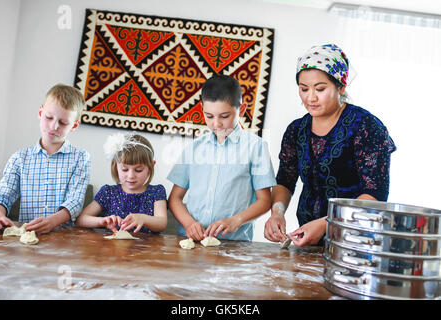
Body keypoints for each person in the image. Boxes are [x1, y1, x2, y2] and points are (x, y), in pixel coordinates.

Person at [264, 44, 396, 246]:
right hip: (309, 241)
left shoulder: (366, 126)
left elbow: (375, 195)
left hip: (357, 243)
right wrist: (277, 213)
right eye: (304, 88)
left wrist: (327, 224)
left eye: (320, 89)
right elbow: (285, 180)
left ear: (341, 87)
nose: (311, 97)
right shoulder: (296, 130)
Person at [167, 74, 276, 241]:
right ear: (201, 109)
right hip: (191, 241)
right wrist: (189, 223)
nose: (216, 124)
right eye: (209, 116)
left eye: (225, 116)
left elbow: (264, 201)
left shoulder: (256, 147)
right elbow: (175, 198)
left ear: (242, 109)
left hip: (234, 243)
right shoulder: (194, 148)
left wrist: (236, 221)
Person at [0, 83, 91, 234]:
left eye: (63, 123)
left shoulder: (81, 158)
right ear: (40, 112)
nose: (53, 126)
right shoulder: (20, 158)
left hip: (63, 238)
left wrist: (52, 222)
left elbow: (75, 201)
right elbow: (4, 194)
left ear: (74, 125)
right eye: (49, 117)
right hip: (26, 237)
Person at [75, 132, 167, 234]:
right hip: (113, 248)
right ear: (116, 167)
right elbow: (81, 220)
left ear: (151, 167)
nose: (131, 175)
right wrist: (102, 221)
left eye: (138, 170)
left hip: (148, 248)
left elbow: (162, 223)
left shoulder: (156, 192)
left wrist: (143, 219)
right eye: (124, 169)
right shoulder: (108, 192)